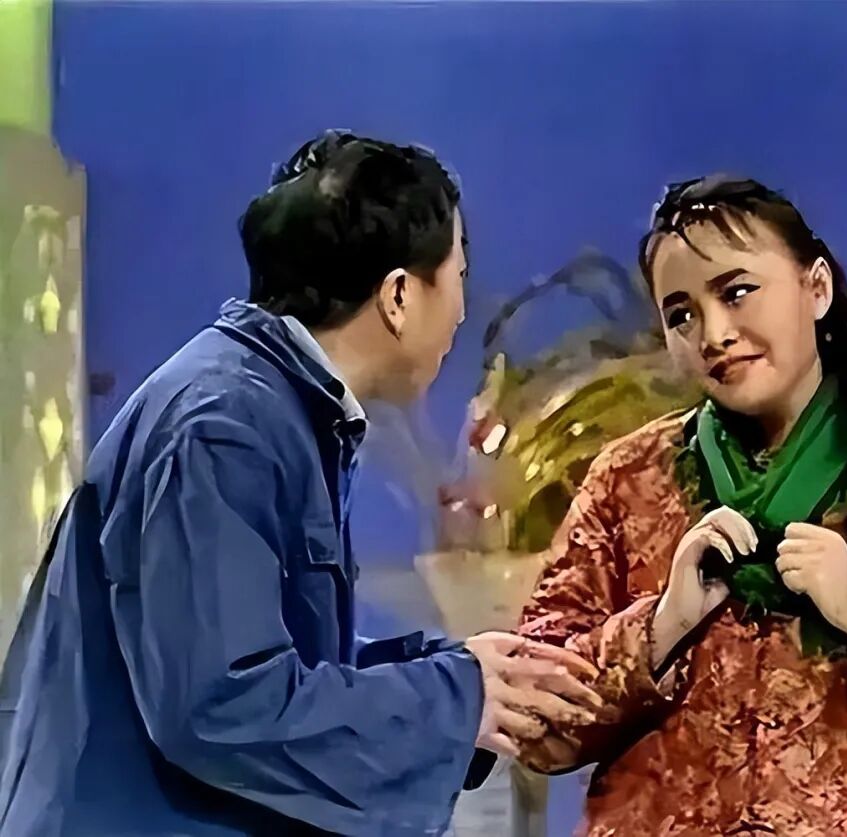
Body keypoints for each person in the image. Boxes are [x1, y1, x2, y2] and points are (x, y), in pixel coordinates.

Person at [0, 131, 601, 837]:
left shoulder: (275, 410)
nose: (463, 311)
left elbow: (276, 670)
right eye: (458, 276)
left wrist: (462, 675)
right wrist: (453, 695)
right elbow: (224, 702)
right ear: (399, 296)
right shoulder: (224, 425)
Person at [515, 176, 847, 835]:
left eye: (736, 292)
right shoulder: (627, 481)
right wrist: (660, 627)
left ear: (816, 288)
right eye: (681, 314)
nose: (713, 333)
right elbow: (533, 723)